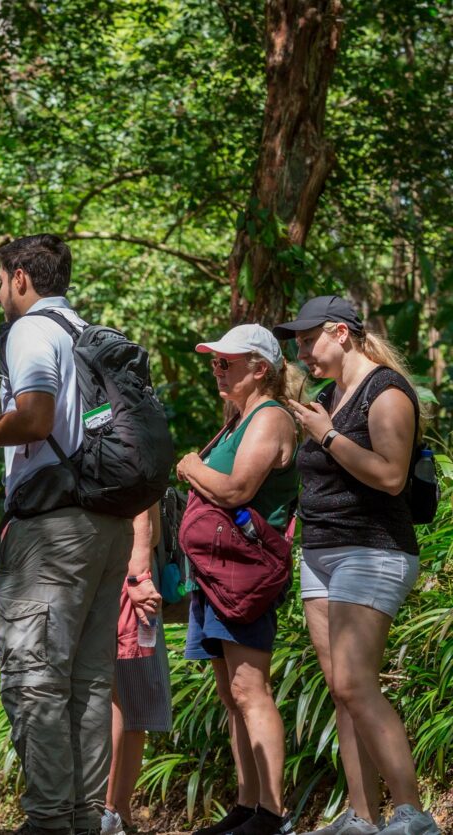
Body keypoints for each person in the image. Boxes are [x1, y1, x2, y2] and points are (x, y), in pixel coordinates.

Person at [0, 234, 160, 835]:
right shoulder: (82, 330)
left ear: (21, 278)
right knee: (86, 679)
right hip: (104, 525)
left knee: (34, 677)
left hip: (53, 530)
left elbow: (34, 417)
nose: (0, 293)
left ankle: (51, 819)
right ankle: (81, 817)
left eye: (1, 281)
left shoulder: (31, 330)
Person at [274, 296, 440, 835]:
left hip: (371, 550)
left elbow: (391, 476)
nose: (301, 353)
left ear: (341, 333)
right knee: (341, 688)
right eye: (296, 343)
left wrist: (325, 434)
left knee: (355, 683)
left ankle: (413, 814)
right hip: (321, 554)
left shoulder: (386, 392)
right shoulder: (330, 394)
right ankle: (362, 817)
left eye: (308, 340)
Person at [174, 324, 299, 835]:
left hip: (244, 576)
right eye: (215, 361)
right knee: (231, 695)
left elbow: (236, 489)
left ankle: (271, 811)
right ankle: (247, 805)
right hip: (215, 576)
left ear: (260, 368)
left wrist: (190, 466)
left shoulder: (269, 418)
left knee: (251, 690)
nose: (216, 368)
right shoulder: (236, 420)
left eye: (227, 361)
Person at [101, 506, 173, 835]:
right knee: (125, 699)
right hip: (128, 573)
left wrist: (137, 575)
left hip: (125, 574)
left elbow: (148, 523)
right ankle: (117, 810)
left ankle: (110, 809)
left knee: (116, 697)